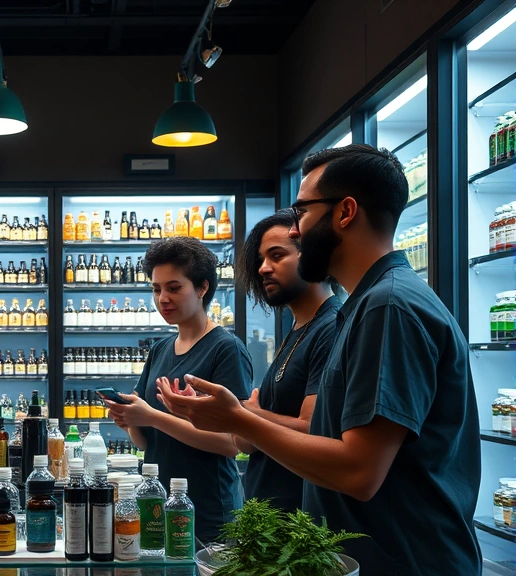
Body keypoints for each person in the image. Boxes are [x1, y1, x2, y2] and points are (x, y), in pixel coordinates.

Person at [161, 144, 481, 575]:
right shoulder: (365, 306)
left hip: (404, 561)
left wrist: (238, 418)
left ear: (345, 212)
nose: (295, 231)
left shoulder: (388, 306)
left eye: (302, 212)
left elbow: (359, 472)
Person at [104, 237, 252, 542]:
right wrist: (130, 419)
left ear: (202, 287)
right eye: (156, 289)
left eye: (174, 287)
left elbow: (232, 443)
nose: (163, 298)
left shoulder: (225, 349)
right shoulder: (160, 349)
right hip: (158, 506)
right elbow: (146, 444)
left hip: (208, 511)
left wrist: (154, 418)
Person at [233, 209, 340, 512]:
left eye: (276, 256)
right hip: (268, 523)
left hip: (300, 525)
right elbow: (247, 443)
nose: (264, 268)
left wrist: (245, 415)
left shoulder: (331, 327)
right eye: (260, 260)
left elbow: (313, 430)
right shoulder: (295, 329)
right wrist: (242, 417)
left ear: (312, 256)